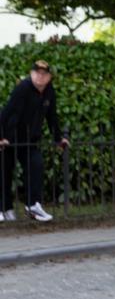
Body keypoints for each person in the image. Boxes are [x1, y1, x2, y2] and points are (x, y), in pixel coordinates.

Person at [0, 59, 69, 222]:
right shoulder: (23, 88)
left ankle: (33, 206)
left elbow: (52, 117)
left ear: (49, 77)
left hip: (30, 140)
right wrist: (1, 137)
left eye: (44, 74)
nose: (40, 77)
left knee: (36, 165)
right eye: (37, 73)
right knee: (4, 173)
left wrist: (59, 139)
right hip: (9, 138)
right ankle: (4, 208)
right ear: (31, 74)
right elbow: (6, 113)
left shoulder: (49, 92)